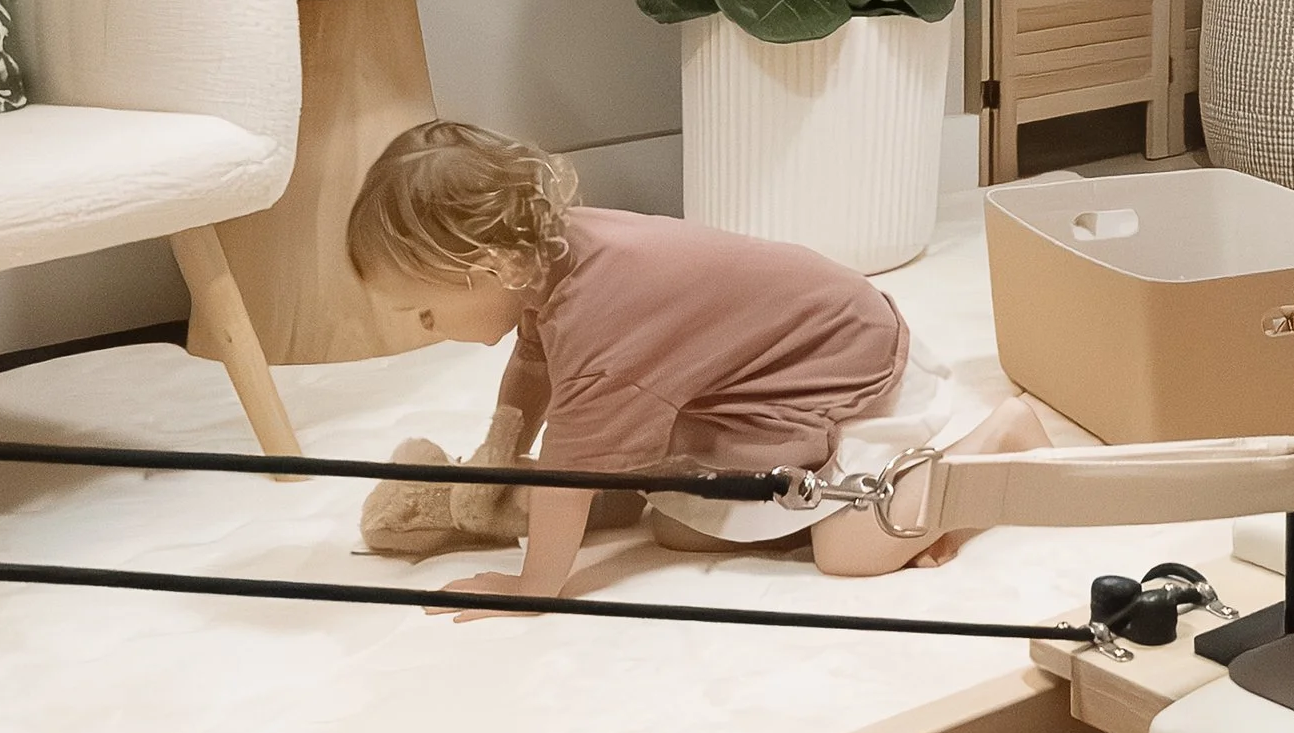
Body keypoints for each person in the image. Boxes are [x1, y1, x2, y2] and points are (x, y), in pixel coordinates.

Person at [345, 119, 1046, 608]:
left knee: (850, 552)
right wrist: (502, 448)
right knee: (679, 527)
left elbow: (570, 470)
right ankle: (890, 498)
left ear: (487, 267)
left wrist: (534, 588)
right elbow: (533, 372)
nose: (427, 330)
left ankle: (995, 445)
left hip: (837, 366)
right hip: (774, 363)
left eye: (425, 311)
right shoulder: (547, 261)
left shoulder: (601, 316)